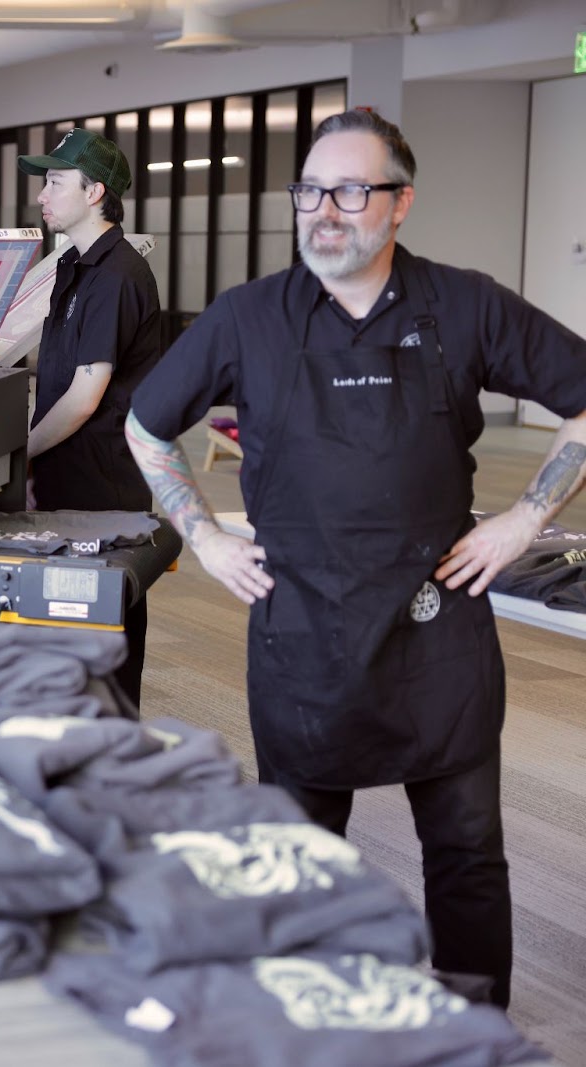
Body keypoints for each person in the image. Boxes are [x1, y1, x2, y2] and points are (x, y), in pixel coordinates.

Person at [125, 107, 586, 1008]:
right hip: (304, 624)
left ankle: (473, 1022)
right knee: (300, 853)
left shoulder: (465, 304)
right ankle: (312, 1014)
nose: (324, 212)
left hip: (437, 625)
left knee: (465, 848)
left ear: (400, 202)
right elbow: (146, 425)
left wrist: (524, 520)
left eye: (349, 190)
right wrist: (204, 535)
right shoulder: (249, 316)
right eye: (309, 190)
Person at [17, 129, 163, 711]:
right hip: (66, 470)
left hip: (103, 481)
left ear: (94, 191)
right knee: (65, 636)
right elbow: (57, 369)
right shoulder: (74, 265)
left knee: (105, 637)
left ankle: (116, 748)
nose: (42, 196)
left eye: (55, 182)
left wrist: (19, 454)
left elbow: (84, 396)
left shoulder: (117, 274)